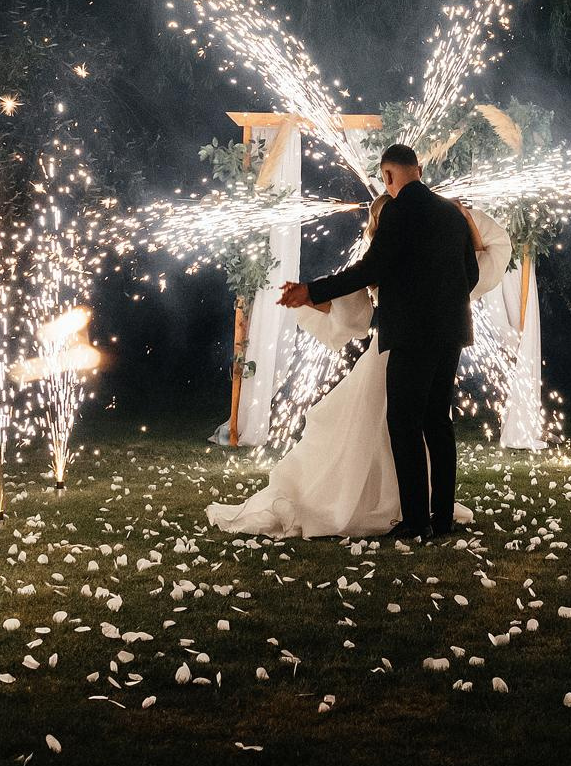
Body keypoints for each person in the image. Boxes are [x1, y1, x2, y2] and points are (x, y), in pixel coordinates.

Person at [207, 190, 510, 540]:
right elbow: (354, 306)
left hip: (405, 349)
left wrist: (466, 219)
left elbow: (478, 261)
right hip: (390, 352)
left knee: (410, 428)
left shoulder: (423, 251)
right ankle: (417, 513)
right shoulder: (388, 255)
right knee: (406, 429)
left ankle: (416, 515)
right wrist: (312, 297)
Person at [276, 143, 480, 540]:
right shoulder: (451, 213)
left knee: (404, 423)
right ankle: (442, 519)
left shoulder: (400, 210)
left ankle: (417, 521)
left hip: (411, 333)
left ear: (388, 176)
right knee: (438, 423)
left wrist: (312, 290)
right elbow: (469, 274)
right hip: (452, 331)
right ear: (417, 169)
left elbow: (371, 268)